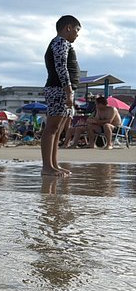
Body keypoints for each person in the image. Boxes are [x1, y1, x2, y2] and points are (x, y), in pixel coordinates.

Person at [42, 15, 81, 176]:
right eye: (77, 30)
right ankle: (47, 167)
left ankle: (54, 165)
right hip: (59, 89)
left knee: (57, 130)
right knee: (52, 128)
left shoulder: (62, 43)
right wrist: (69, 91)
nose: (78, 35)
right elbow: (61, 67)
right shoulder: (60, 42)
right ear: (68, 28)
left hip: (61, 89)